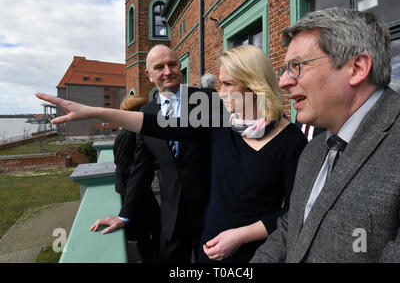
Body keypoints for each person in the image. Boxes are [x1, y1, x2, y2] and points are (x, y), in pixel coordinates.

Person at [36, 44, 307, 263]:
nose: (219, 93)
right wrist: (95, 112)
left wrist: (241, 236)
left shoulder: (291, 141)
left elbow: (294, 211)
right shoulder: (221, 122)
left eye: (227, 84)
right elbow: (157, 126)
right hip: (209, 245)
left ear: (253, 85)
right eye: (219, 84)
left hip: (254, 251)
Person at [250, 7, 400, 263]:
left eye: (296, 66)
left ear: (356, 68)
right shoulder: (313, 151)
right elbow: (292, 229)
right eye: (285, 69)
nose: (284, 82)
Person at [90, 45, 213, 263]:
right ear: (149, 74)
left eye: (172, 64)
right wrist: (124, 214)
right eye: (159, 67)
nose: (168, 71)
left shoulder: (207, 100)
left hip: (212, 208)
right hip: (171, 214)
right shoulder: (146, 113)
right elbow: (140, 168)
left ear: (180, 66)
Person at [112, 95, 159, 263]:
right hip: (134, 193)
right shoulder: (129, 135)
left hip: (139, 191)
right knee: (144, 235)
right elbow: (125, 169)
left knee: (152, 230)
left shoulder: (132, 132)